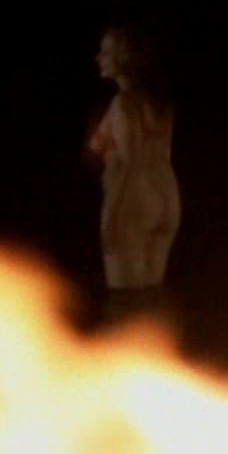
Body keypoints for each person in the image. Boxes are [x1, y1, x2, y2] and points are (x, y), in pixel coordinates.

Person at [87, 26, 181, 319]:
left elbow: (132, 161)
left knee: (124, 300)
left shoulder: (123, 103)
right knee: (151, 294)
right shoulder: (159, 102)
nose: (99, 58)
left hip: (133, 199)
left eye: (106, 51)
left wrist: (111, 216)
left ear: (125, 58)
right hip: (165, 193)